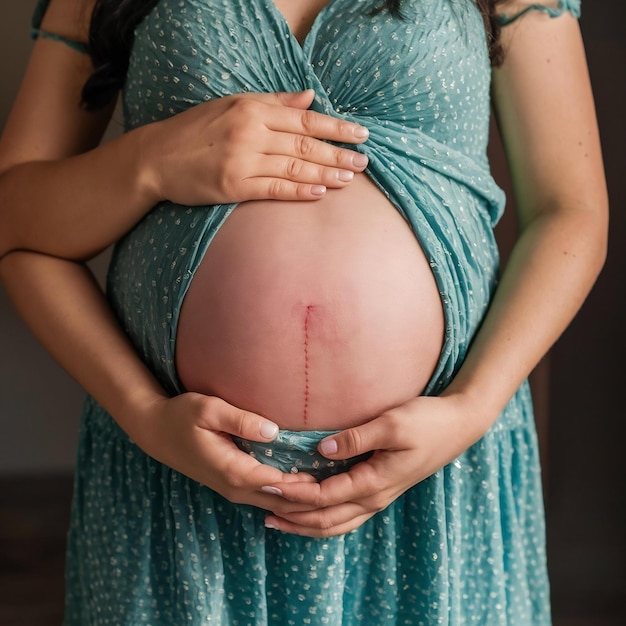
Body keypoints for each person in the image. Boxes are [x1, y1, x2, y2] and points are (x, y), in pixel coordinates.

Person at [0, 0, 607, 624]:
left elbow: (570, 209)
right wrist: (149, 163)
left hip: (435, 471)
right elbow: (14, 220)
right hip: (178, 473)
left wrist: (472, 408)